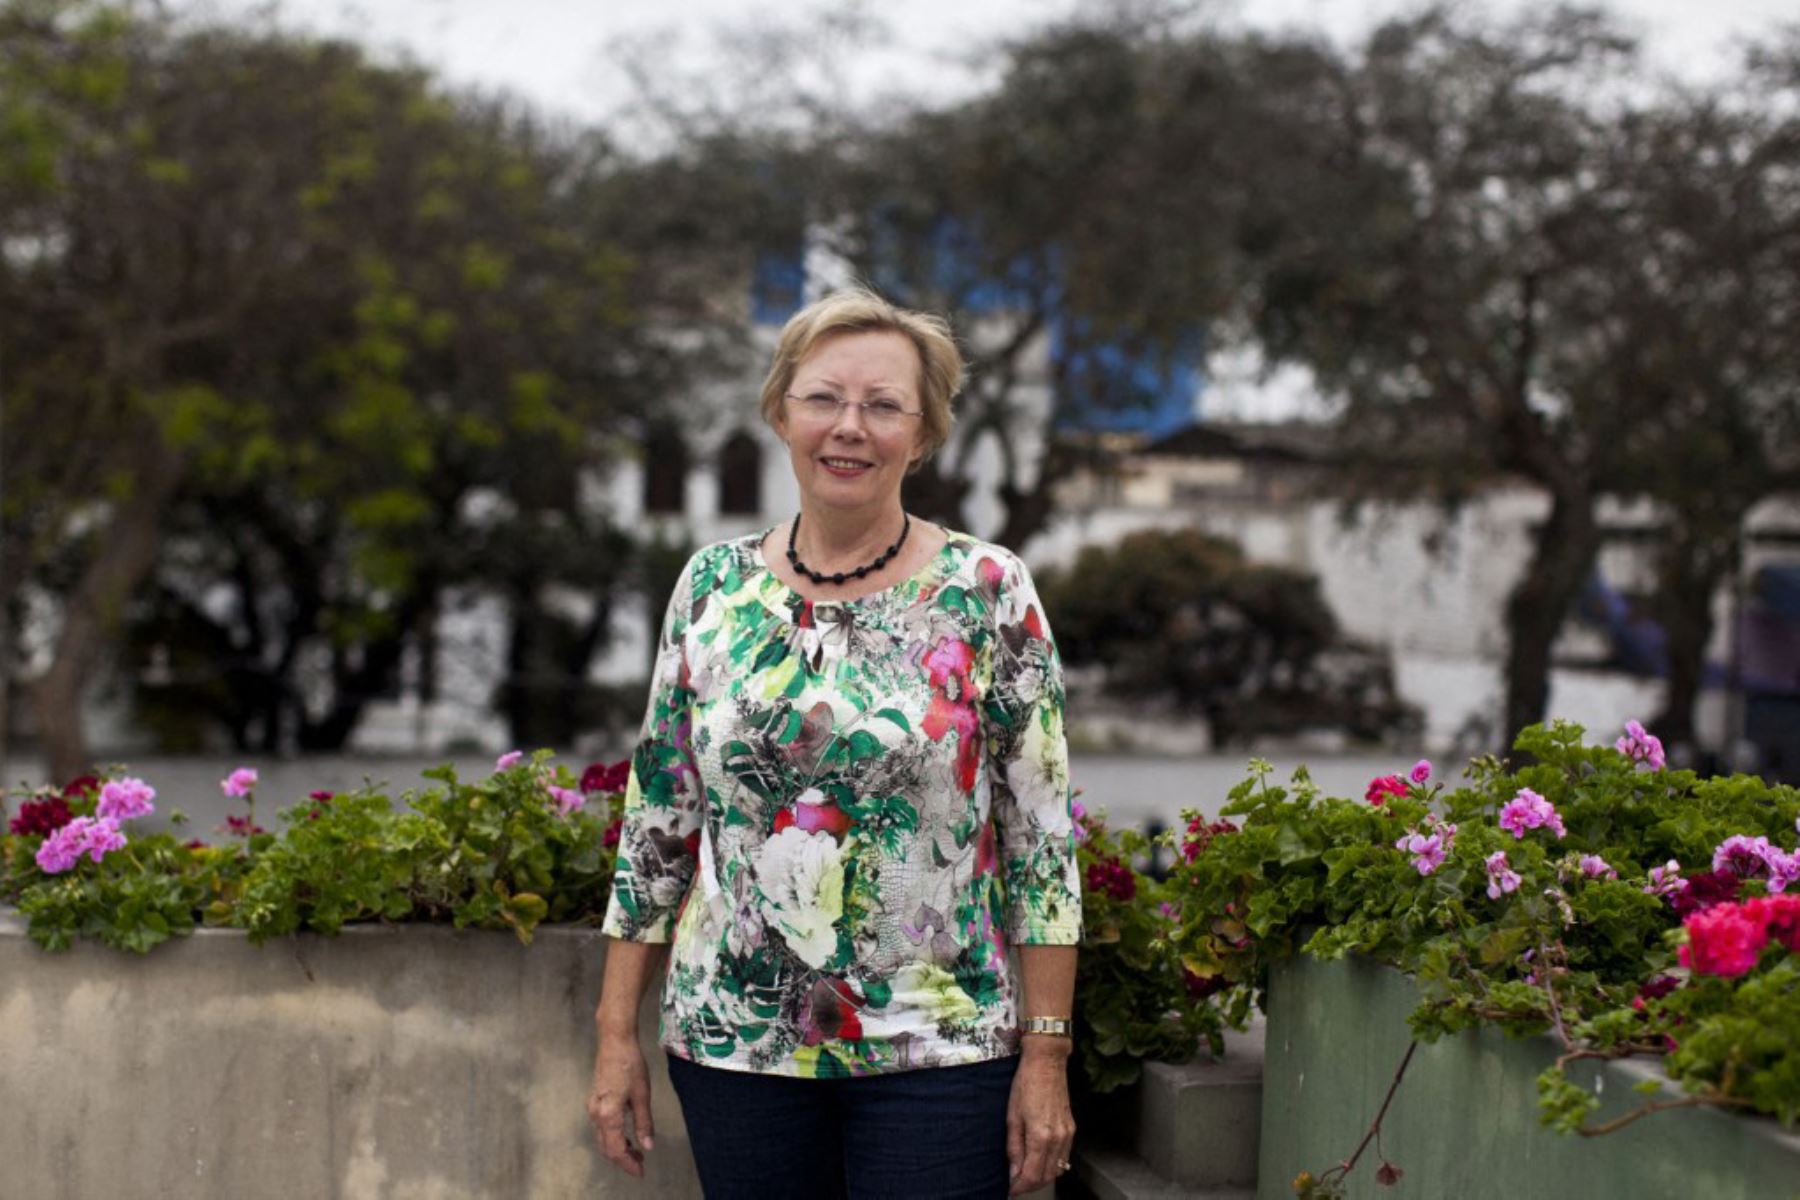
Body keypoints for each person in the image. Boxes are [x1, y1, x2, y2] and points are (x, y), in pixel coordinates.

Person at [586, 287, 1082, 1198]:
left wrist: (1046, 1058)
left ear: (923, 435)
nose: (849, 427)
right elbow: (659, 823)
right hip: (736, 1047)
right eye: (824, 398)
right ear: (781, 412)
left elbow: (1042, 840)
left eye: (883, 405)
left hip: (942, 1050)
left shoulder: (989, 590)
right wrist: (616, 1034)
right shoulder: (712, 588)